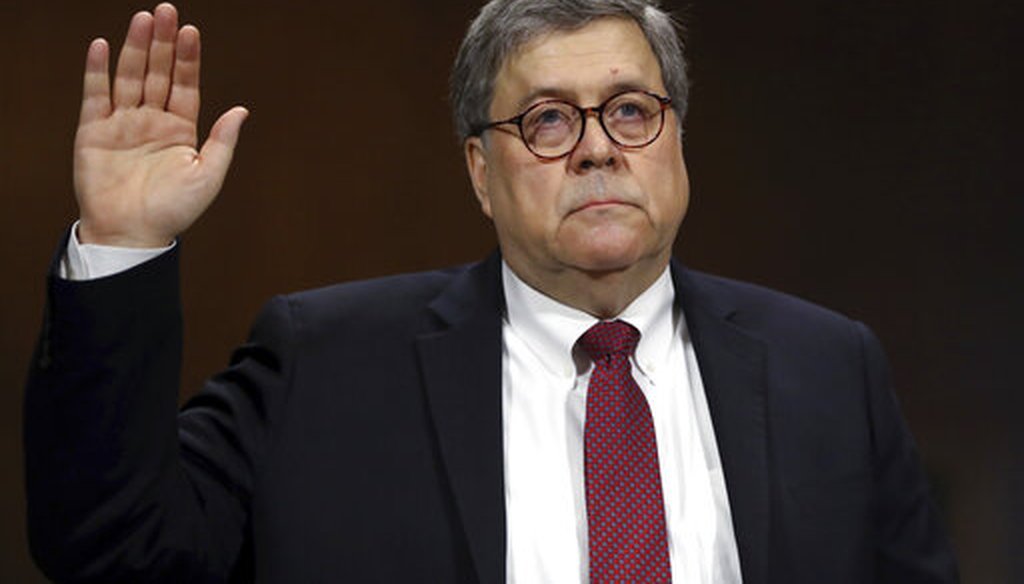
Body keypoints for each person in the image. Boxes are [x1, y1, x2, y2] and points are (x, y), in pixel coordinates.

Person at [24, 1, 959, 582]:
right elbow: (112, 551)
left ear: (677, 141)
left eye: (633, 110)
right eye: (548, 120)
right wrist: (124, 244)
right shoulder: (325, 360)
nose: (599, 147)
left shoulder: (829, 365)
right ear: (480, 170)